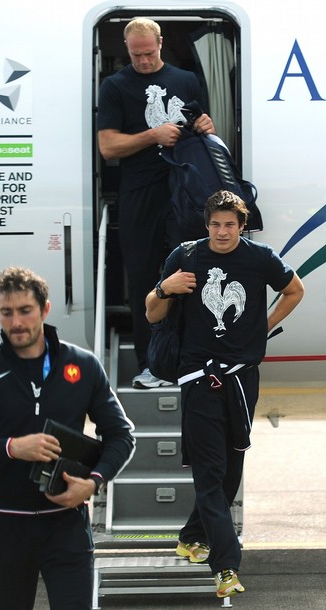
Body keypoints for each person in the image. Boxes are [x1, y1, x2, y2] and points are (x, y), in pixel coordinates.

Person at [0, 266, 135, 610]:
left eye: (25, 310)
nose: (16, 322)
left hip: (67, 524)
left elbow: (122, 435)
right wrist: (11, 448)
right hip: (5, 523)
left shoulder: (83, 365)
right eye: (6, 312)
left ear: (45, 309)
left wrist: (94, 482)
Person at [145, 190, 304, 598]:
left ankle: (191, 537)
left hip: (242, 378)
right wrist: (164, 288)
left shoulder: (260, 257)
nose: (221, 231)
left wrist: (264, 325)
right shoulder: (185, 256)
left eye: (229, 224)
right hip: (200, 378)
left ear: (241, 225)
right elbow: (151, 313)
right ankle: (226, 567)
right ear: (207, 224)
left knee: (231, 470)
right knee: (210, 473)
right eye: (215, 224)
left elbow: (295, 290)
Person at [97, 17, 216, 389]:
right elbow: (108, 146)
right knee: (143, 279)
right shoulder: (115, 86)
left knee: (189, 276)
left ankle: (190, 358)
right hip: (139, 193)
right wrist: (153, 135)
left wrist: (206, 127)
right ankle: (151, 365)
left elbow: (202, 129)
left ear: (160, 43)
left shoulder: (187, 80)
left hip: (183, 191)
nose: (144, 61)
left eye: (148, 53)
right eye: (136, 55)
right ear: (127, 49)